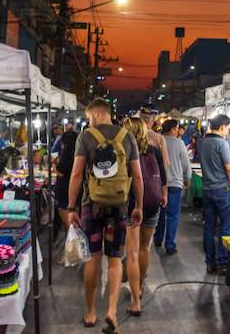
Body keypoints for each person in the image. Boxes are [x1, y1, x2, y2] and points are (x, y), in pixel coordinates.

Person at [67, 98, 144, 333]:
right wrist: (138, 206)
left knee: (93, 259)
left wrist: (71, 208)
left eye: (89, 117)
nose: (89, 121)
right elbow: (138, 176)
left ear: (96, 113)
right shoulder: (127, 136)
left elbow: (77, 173)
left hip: (92, 206)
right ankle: (111, 311)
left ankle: (91, 313)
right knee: (114, 260)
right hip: (119, 206)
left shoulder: (86, 136)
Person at [121, 117, 166, 317]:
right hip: (152, 203)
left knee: (131, 252)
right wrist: (163, 195)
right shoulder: (154, 150)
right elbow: (163, 176)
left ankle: (135, 299)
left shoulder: (123, 152)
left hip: (131, 205)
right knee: (144, 248)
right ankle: (138, 285)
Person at [198, 114, 230, 275]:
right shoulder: (222, 143)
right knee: (226, 228)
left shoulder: (203, 142)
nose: (228, 132)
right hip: (223, 191)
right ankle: (223, 264)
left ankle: (210, 263)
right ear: (222, 127)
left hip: (207, 190)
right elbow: (229, 168)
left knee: (209, 227)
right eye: (227, 129)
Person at [155, 119, 192, 253]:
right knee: (173, 215)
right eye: (177, 128)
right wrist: (187, 178)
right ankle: (170, 245)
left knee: (160, 213)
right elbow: (186, 164)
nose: (178, 131)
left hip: (159, 184)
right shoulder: (179, 143)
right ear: (172, 130)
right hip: (175, 183)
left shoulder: (157, 141)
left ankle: (158, 239)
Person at [55, 128, 78, 226]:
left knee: (70, 225)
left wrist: (53, 164)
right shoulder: (79, 153)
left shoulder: (66, 152)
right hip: (77, 190)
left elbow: (60, 172)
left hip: (65, 190)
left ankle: (72, 240)